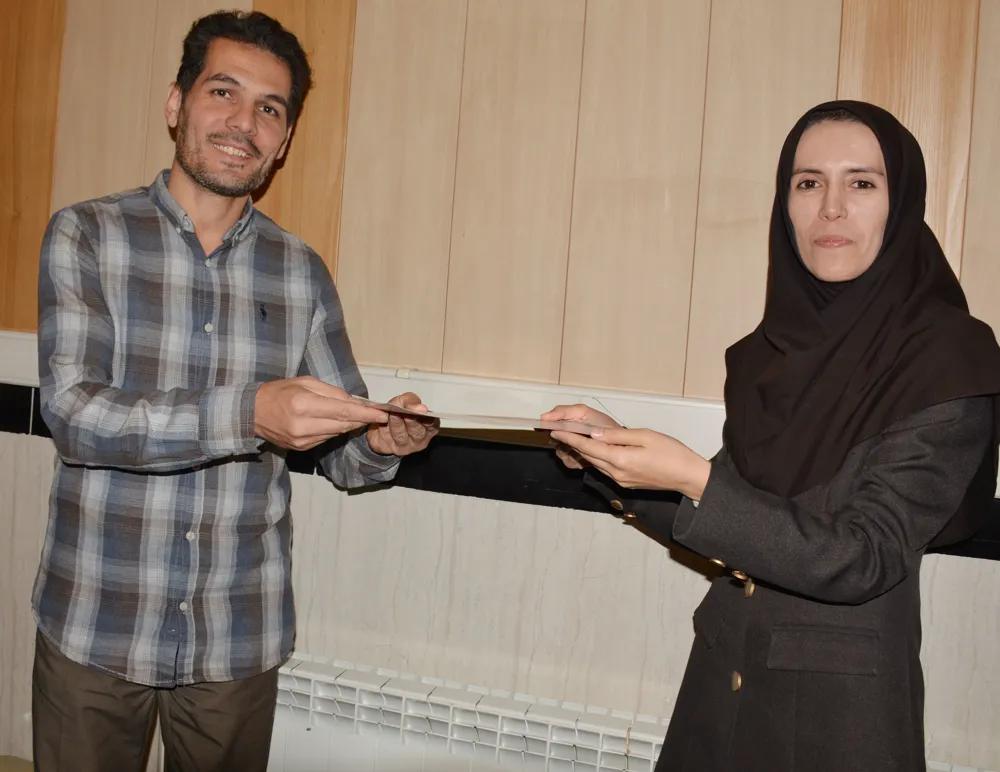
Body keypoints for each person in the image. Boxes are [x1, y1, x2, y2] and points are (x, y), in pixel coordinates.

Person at [30, 11, 438, 772]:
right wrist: (249, 412)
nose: (243, 123)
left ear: (284, 140)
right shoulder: (86, 234)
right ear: (176, 103)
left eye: (269, 109)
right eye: (223, 92)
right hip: (95, 620)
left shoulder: (301, 271)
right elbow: (75, 415)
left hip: (237, 636)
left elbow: (347, 457)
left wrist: (384, 441)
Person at [543, 100, 1000, 772]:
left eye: (862, 183)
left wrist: (693, 477)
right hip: (717, 692)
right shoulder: (769, 355)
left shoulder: (949, 358)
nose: (831, 209)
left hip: (835, 724)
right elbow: (735, 519)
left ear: (901, 203)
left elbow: (863, 556)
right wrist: (608, 456)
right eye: (808, 183)